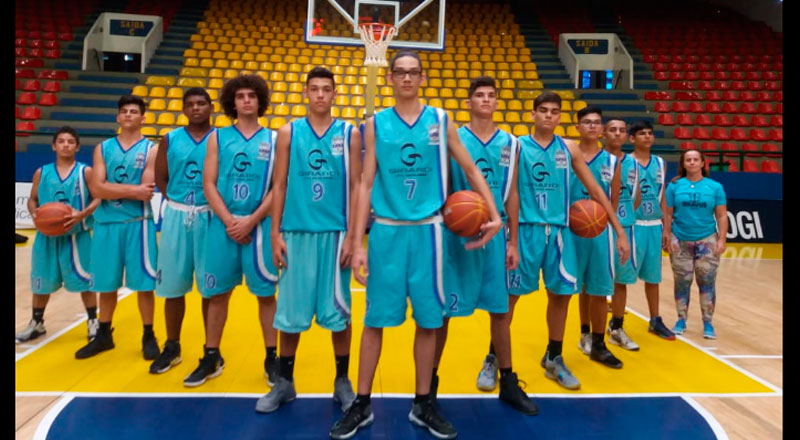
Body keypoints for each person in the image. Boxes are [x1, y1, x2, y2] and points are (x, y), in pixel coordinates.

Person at [329, 51, 502, 440]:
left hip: (430, 233)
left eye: (413, 72)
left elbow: (471, 168)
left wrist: (495, 215)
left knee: (429, 321)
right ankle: (362, 403)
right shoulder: (375, 124)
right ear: (390, 78)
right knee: (375, 321)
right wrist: (357, 242)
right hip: (387, 232)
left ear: (422, 78)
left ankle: (423, 403)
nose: (407, 78)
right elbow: (365, 183)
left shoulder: (440, 120)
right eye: (400, 72)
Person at [501, 92, 629, 391]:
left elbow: (596, 190)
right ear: (532, 114)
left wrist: (619, 231)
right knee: (509, 298)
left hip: (559, 231)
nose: (549, 115)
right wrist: (511, 236)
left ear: (560, 117)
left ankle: (554, 357)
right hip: (527, 229)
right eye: (543, 110)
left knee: (561, 296)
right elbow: (510, 191)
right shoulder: (517, 145)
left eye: (554, 111)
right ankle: (494, 356)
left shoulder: (568, 148)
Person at [255, 67, 361, 413]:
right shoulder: (288, 132)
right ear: (305, 93)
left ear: (334, 94)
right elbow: (279, 185)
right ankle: (285, 382)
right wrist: (274, 233)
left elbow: (357, 187)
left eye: (326, 89)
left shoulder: (349, 133)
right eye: (314, 89)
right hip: (295, 233)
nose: (320, 95)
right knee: (289, 313)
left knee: (339, 313)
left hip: (335, 234)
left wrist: (354, 238)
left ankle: (342, 380)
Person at [433, 76, 538, 415]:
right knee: (443, 314)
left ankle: (507, 381)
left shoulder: (512, 143)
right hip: (457, 235)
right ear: (468, 102)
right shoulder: (454, 138)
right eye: (479, 95)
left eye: (491, 95)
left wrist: (514, 242)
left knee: (500, 312)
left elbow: (514, 194)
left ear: (497, 102)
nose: (486, 100)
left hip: (496, 234)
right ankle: (429, 385)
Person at [184, 74, 279, 387]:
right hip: (223, 226)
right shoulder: (217, 138)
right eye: (240, 96)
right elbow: (208, 183)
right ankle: (211, 355)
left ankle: (272, 357)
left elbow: (279, 187)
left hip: (260, 226)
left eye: (252, 95)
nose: (247, 100)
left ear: (260, 101)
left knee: (266, 295)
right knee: (217, 294)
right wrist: (230, 221)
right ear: (232, 103)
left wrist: (250, 221)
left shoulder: (275, 139)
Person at [75, 96, 160, 360]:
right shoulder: (102, 148)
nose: (128, 115)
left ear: (143, 118)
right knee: (106, 283)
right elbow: (97, 189)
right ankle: (104, 335)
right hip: (106, 224)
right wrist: (130, 190)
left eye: (134, 111)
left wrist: (110, 188)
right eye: (124, 111)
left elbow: (146, 192)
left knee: (144, 285)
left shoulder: (152, 149)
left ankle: (148, 334)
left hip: (138, 224)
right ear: (117, 117)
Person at [149, 88, 215, 375]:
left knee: (211, 288)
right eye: (190, 104)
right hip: (177, 215)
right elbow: (160, 177)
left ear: (211, 107)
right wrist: (176, 201)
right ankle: (172, 346)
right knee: (172, 287)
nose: (196, 108)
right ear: (184, 109)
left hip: (210, 214)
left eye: (201, 103)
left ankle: (212, 350)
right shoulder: (170, 138)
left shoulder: (221, 138)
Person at [16, 126, 100, 344]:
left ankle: (93, 321)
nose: (65, 145)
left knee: (86, 281)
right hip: (47, 236)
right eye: (61, 141)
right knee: (40, 280)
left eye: (70, 142)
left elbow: (98, 198)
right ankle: (37, 323)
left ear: (77, 147)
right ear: (54, 146)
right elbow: (33, 199)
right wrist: (35, 213)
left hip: (76, 236)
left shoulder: (85, 172)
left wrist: (82, 214)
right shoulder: (41, 172)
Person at [570, 106, 625, 369]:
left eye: (596, 122)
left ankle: (599, 344)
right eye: (587, 122)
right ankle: (583, 334)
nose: (592, 126)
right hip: (570, 231)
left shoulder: (612, 162)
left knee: (599, 289)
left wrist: (617, 232)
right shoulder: (567, 155)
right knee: (569, 290)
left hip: (600, 232)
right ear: (577, 127)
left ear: (601, 129)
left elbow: (613, 201)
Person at [663, 149, 727, 339]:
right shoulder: (674, 186)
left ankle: (708, 322)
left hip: (707, 240)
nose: (692, 162)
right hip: (680, 239)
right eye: (688, 160)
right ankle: (681, 319)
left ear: (702, 163)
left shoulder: (715, 187)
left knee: (707, 282)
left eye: (695, 159)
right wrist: (667, 235)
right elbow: (667, 214)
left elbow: (721, 215)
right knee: (682, 282)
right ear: (683, 164)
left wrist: (722, 239)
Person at [628, 120, 675, 340]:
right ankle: (615, 319)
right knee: (622, 276)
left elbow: (662, 196)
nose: (647, 136)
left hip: (654, 225)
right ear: (632, 139)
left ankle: (655, 319)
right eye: (642, 133)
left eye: (650, 133)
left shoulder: (660, 162)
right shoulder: (626, 162)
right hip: (633, 225)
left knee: (653, 278)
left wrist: (666, 228)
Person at [602, 118, 642, 351]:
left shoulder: (633, 164)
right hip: (598, 226)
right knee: (594, 283)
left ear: (627, 136)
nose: (617, 134)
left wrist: (622, 219)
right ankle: (589, 332)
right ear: (604, 134)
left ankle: (617, 327)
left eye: (622, 130)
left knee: (621, 280)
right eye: (612, 130)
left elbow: (636, 197)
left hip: (624, 227)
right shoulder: (596, 159)